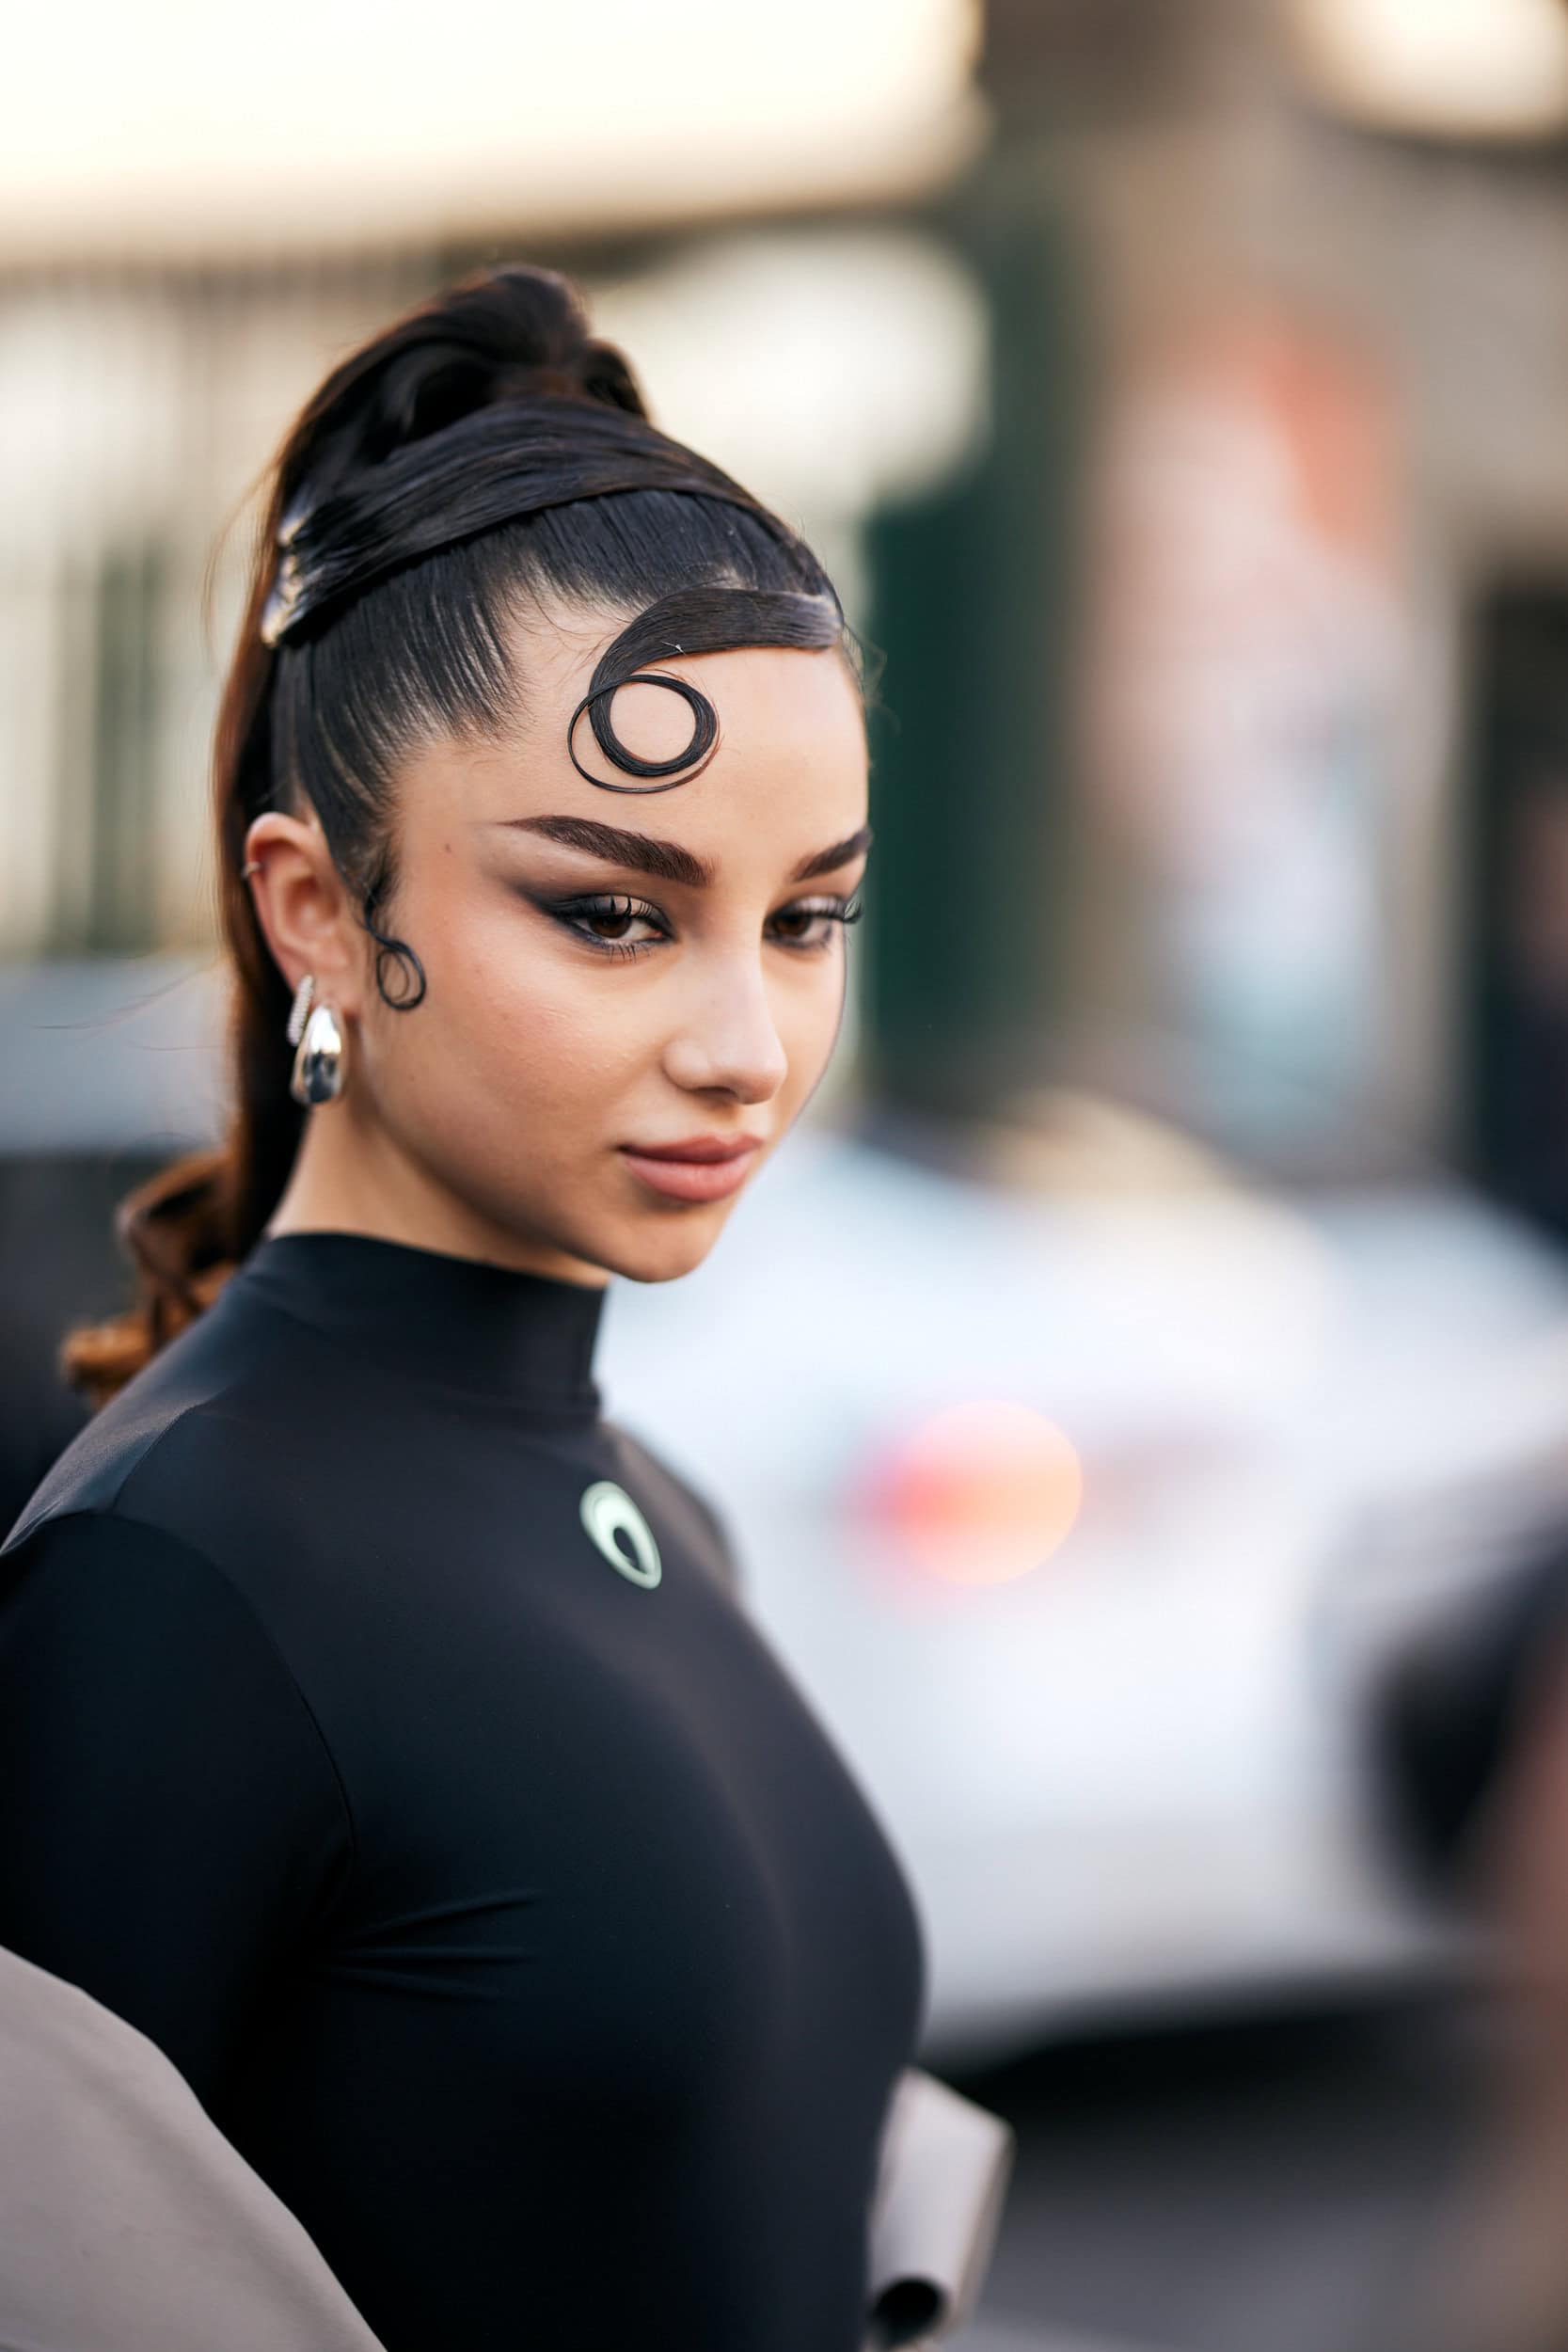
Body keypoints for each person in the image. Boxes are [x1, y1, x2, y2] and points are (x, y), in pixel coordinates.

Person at [0, 262, 933, 2352]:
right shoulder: (175, 1573)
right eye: (612, 912)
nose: (747, 1045)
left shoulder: (664, 1507)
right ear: (319, 908)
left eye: (807, 918)